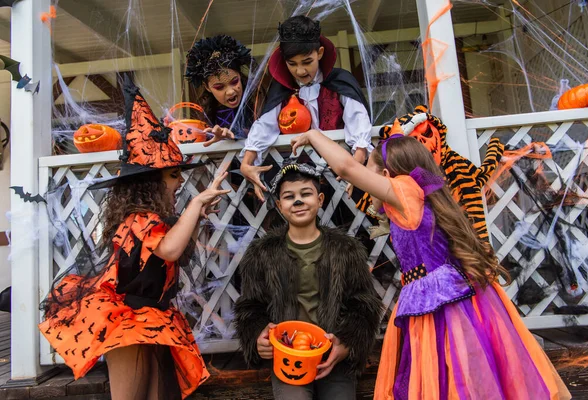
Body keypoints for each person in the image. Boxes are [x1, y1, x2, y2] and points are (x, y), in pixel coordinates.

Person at [290, 129, 571, 400]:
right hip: (440, 299)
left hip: (439, 307)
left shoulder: (405, 191)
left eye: (372, 175)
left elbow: (347, 169)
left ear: (387, 176)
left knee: (450, 379)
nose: (366, 186)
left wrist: (314, 134)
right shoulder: (419, 196)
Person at [39, 76, 231, 400]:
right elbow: (169, 250)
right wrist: (196, 203)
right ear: (151, 182)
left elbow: (172, 251)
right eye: (173, 174)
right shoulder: (139, 219)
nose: (180, 180)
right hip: (128, 319)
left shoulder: (155, 219)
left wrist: (196, 216)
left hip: (154, 315)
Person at [233, 163, 383, 400]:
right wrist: (257, 335)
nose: (298, 201)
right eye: (289, 197)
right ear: (280, 206)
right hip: (289, 355)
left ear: (320, 199)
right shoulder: (262, 253)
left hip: (332, 353)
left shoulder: (346, 250)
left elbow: (364, 305)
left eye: (306, 194)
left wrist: (347, 342)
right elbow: (250, 306)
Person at [240, 16, 373, 201]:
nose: (300, 71)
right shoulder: (281, 90)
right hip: (301, 180)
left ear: (319, 53)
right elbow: (264, 125)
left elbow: (358, 120)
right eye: (292, 64)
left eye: (307, 61)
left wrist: (356, 164)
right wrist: (247, 163)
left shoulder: (340, 81)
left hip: (341, 171)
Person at [185, 34, 264, 145]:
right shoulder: (206, 117)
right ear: (207, 87)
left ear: (240, 76)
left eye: (234, 81)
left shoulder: (258, 102)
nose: (231, 91)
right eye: (219, 87)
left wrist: (236, 134)